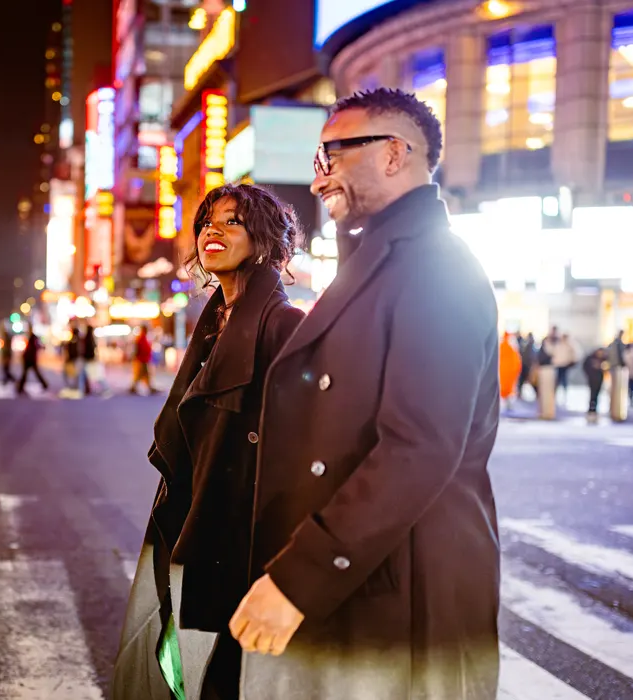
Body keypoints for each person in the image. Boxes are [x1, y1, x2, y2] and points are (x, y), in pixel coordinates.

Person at [166, 88, 497, 700]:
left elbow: (418, 448)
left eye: (333, 157)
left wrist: (298, 578)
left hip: (399, 598)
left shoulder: (436, 267)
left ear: (395, 154)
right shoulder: (378, 265)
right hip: (356, 586)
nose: (318, 180)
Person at [112, 183, 305, 700]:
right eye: (207, 222)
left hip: (252, 539)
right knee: (210, 671)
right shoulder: (215, 323)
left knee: (235, 677)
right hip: (210, 519)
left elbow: (302, 449)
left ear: (265, 242)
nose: (212, 231)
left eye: (232, 222)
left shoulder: (285, 326)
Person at [17, 325, 48, 395]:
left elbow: (35, 347)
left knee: (28, 373)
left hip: (30, 358)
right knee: (26, 373)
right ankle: (21, 387)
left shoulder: (33, 338)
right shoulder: (30, 337)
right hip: (29, 358)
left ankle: (20, 387)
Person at [130, 325, 158, 395]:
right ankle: (134, 387)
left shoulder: (143, 338)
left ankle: (149, 387)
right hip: (141, 360)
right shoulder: (140, 338)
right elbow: (137, 349)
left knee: (145, 375)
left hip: (144, 359)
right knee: (141, 374)